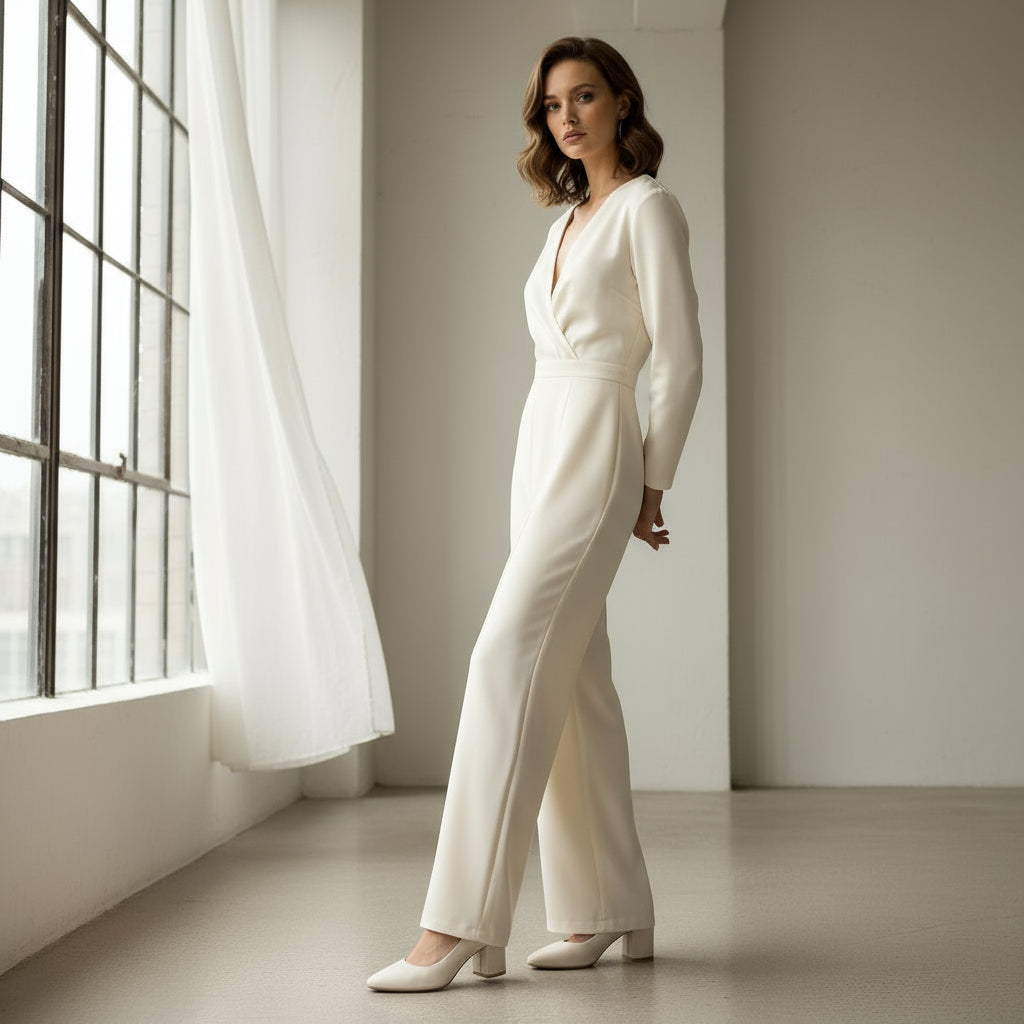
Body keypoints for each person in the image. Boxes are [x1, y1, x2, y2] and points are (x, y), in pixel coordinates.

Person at [367, 35, 703, 993]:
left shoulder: (649, 208)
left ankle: (457, 924)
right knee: (577, 679)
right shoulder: (562, 221)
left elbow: (680, 353)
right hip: (540, 437)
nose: (567, 115)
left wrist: (654, 479)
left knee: (505, 652)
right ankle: (609, 911)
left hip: (600, 436)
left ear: (622, 103)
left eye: (585, 96)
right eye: (554, 103)